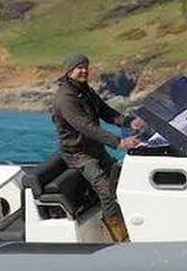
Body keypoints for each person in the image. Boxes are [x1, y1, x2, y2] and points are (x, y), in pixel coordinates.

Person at [51, 53, 145, 242]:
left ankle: (136, 223)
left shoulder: (84, 89)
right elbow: (85, 127)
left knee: (121, 178)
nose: (84, 70)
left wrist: (128, 122)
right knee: (106, 190)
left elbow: (104, 111)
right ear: (69, 71)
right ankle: (120, 238)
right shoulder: (65, 98)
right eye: (79, 67)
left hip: (95, 148)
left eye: (86, 66)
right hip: (78, 154)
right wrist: (120, 142)